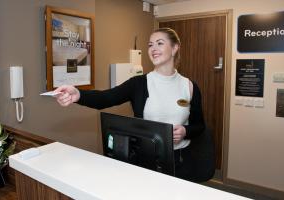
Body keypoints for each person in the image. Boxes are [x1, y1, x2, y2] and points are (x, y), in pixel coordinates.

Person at [54, 27, 214, 182]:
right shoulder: (138, 84)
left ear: (174, 48)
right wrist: (79, 94)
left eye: (159, 43)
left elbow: (199, 126)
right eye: (150, 45)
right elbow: (105, 98)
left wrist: (185, 130)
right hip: (148, 161)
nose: (153, 48)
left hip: (181, 160)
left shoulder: (189, 86)